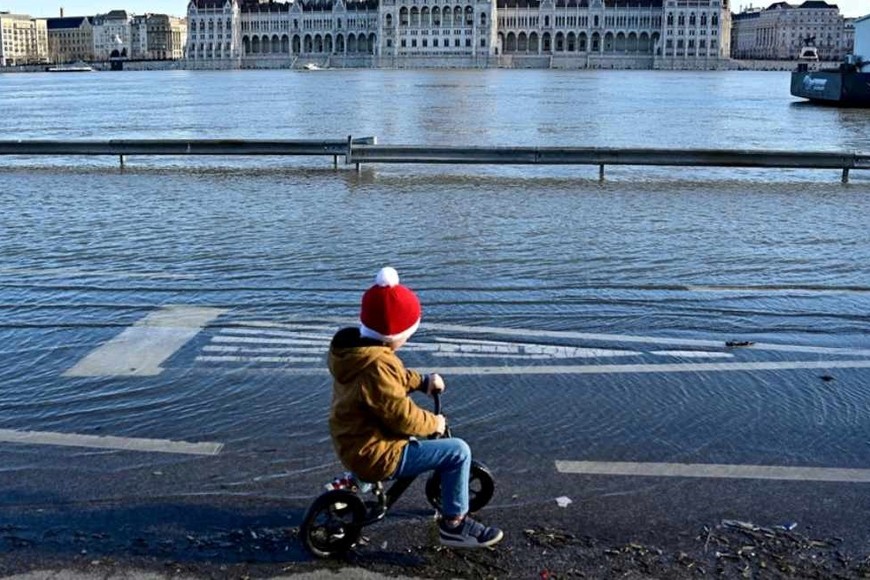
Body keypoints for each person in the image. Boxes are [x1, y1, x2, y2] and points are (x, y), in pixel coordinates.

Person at [328, 266, 504, 549]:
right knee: (458, 452)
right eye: (407, 334)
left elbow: (392, 381)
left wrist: (422, 381)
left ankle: (356, 481)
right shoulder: (379, 365)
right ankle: (454, 526)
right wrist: (433, 423)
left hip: (353, 438)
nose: (407, 339)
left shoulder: (357, 355)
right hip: (377, 452)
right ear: (393, 335)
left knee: (417, 438)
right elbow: (400, 415)